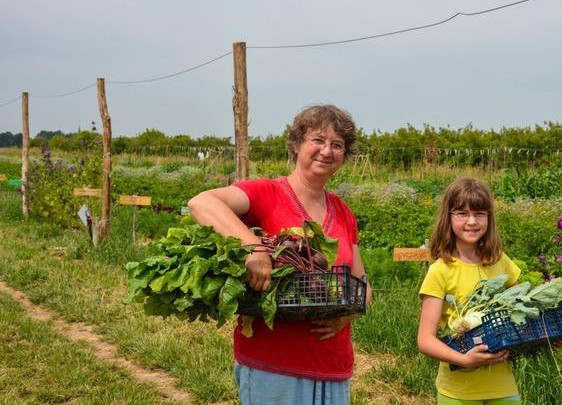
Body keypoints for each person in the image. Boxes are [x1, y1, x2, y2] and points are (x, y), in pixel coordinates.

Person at [188, 104, 372, 405]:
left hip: (332, 365)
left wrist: (347, 313)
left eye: (337, 145)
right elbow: (201, 203)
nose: (327, 151)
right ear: (297, 144)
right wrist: (253, 246)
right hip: (274, 365)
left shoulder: (343, 212)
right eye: (318, 139)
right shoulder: (266, 193)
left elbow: (361, 285)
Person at [416, 178, 522, 404]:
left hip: (502, 384)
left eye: (479, 213)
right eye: (462, 213)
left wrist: (549, 333)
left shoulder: (500, 261)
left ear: (489, 218)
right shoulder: (440, 271)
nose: (472, 221)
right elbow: (425, 340)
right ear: (448, 218)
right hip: (458, 390)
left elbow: (524, 309)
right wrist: (464, 360)